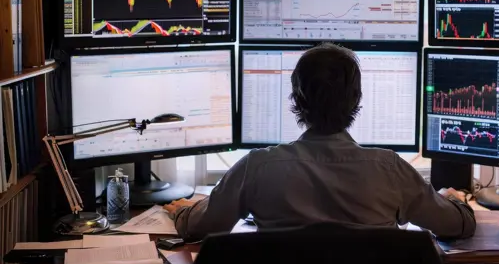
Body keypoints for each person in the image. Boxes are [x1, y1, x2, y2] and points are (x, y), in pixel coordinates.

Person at [164, 43, 476, 241]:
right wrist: (457, 201)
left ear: (296, 99)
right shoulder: (390, 170)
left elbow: (199, 227)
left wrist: (183, 211)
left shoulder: (257, 168)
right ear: (356, 99)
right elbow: (457, 227)